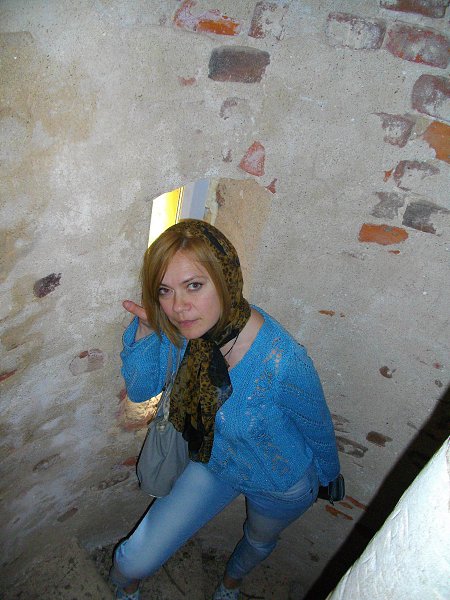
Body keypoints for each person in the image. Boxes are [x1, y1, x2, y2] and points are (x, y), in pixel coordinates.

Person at [110, 219, 340, 600]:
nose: (178, 307)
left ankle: (230, 584)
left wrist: (329, 478)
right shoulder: (185, 332)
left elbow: (318, 428)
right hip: (213, 464)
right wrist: (147, 331)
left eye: (193, 286)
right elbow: (141, 389)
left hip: (280, 483)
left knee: (258, 540)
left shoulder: (284, 362)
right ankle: (128, 586)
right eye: (165, 290)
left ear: (224, 278)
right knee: (134, 558)